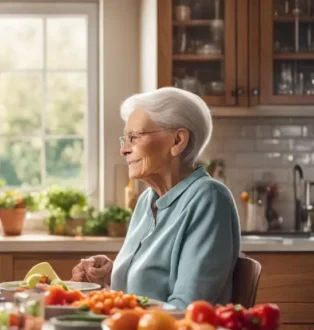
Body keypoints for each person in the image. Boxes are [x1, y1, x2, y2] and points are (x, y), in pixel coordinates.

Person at [71, 87, 240, 310]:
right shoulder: (145, 201)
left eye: (134, 137)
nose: (124, 149)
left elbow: (187, 308)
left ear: (177, 141)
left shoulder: (209, 199)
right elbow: (142, 294)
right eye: (125, 138)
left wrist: (112, 308)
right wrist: (104, 281)